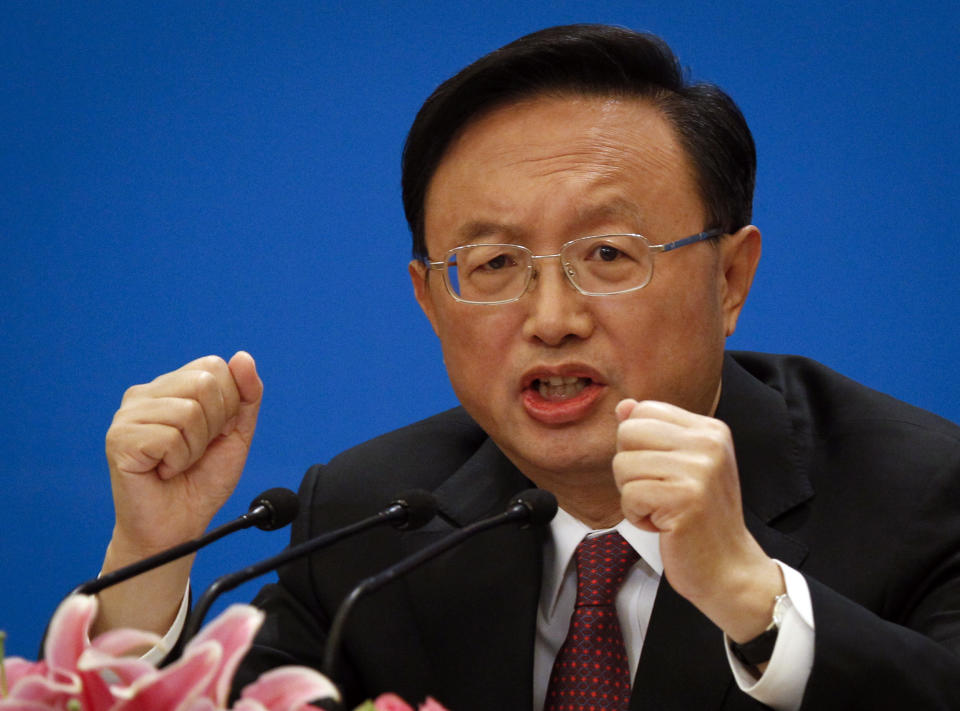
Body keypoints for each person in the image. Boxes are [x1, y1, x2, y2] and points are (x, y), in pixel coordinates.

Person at [93, 24, 960, 710]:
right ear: (430, 302)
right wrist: (153, 553)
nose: (552, 319)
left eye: (611, 254)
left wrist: (753, 597)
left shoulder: (920, 497)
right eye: (495, 266)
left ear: (730, 279)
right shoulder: (370, 521)